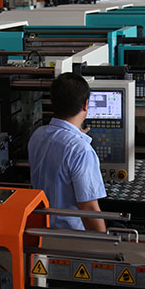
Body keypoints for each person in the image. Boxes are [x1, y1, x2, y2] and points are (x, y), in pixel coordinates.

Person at [28, 73, 107, 232]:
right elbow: (89, 208)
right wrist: (104, 244)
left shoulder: (38, 135)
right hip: (71, 238)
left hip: (41, 231)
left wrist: (76, 136)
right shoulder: (81, 151)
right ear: (86, 105)